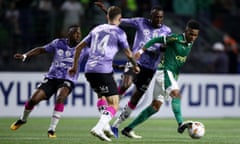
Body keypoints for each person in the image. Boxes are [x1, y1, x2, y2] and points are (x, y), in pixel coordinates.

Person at [95, 3, 172, 138]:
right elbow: (119, 20)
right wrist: (107, 12)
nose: (158, 20)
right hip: (135, 62)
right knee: (125, 85)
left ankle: (116, 126)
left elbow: (166, 47)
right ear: (151, 17)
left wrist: (164, 48)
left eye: (160, 17)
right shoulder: (140, 22)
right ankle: (105, 119)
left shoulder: (167, 31)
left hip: (150, 68)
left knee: (136, 98)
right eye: (156, 17)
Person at [68, 6, 140, 142]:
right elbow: (128, 54)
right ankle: (99, 127)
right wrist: (135, 66)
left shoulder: (96, 29)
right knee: (114, 103)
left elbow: (78, 48)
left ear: (107, 17)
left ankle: (105, 126)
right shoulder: (120, 32)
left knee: (103, 96)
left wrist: (74, 67)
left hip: (89, 70)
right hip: (103, 70)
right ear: (120, 18)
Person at [121, 19, 200, 138]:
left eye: (195, 35)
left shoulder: (191, 42)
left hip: (171, 75)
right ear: (186, 31)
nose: (193, 37)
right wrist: (142, 51)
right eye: (191, 34)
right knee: (176, 94)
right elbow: (155, 40)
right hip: (164, 72)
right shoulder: (175, 38)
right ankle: (180, 123)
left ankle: (128, 129)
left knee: (155, 106)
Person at [10, 25, 89, 138]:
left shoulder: (83, 48)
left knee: (61, 96)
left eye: (79, 33)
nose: (78, 35)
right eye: (75, 33)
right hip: (52, 78)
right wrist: (25, 55)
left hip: (68, 79)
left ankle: (51, 129)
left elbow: (97, 57)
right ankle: (23, 119)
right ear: (69, 34)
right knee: (33, 100)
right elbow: (41, 49)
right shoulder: (58, 43)